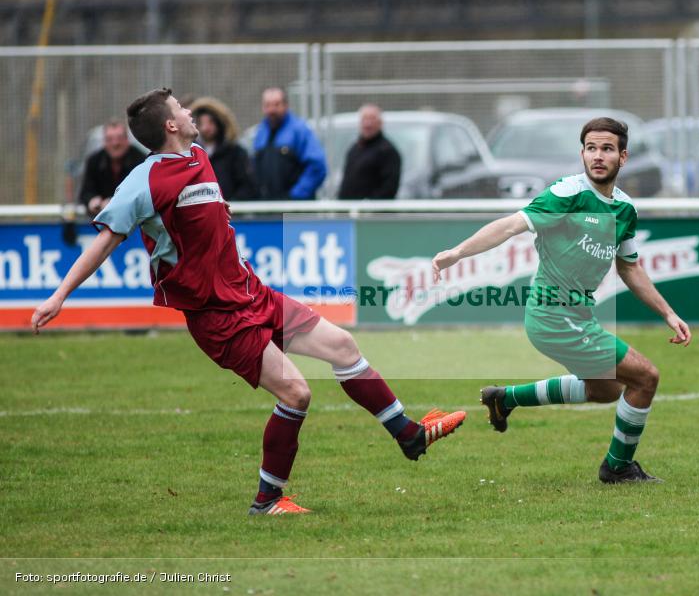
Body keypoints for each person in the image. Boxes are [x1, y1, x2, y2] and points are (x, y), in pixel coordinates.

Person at [32, 88, 465, 516]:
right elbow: (105, 240)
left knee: (343, 347)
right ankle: (268, 500)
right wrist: (59, 295)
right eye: (181, 107)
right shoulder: (144, 181)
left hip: (251, 292)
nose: (189, 110)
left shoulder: (199, 157)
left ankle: (409, 435)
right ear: (170, 125)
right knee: (296, 393)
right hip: (217, 316)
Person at [431, 117, 691, 484]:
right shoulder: (567, 194)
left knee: (605, 390)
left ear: (623, 156)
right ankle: (616, 468)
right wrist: (457, 253)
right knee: (646, 377)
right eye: (590, 148)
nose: (598, 156)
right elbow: (509, 225)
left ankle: (505, 399)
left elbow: (630, 268)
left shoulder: (625, 209)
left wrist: (668, 313)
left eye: (607, 149)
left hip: (577, 316)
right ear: (582, 153)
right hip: (552, 315)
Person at [253, 87, 327, 200]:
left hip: (295, 210)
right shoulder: (261, 133)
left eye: (276, 104)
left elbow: (317, 167)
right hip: (267, 208)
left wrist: (295, 196)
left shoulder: (300, 130)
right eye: (267, 105)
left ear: (286, 106)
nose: (272, 110)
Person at [193, 96, 256, 200]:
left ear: (219, 124)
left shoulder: (235, 152)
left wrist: (231, 204)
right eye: (201, 123)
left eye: (210, 122)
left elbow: (246, 186)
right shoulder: (191, 153)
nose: (205, 128)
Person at [79, 120, 145, 216]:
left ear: (127, 140)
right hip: (101, 219)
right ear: (104, 142)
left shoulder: (141, 161)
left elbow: (144, 194)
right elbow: (85, 192)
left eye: (119, 138)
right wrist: (92, 201)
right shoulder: (94, 161)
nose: (115, 144)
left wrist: (114, 202)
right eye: (110, 139)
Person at [337, 104, 401, 200]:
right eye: (364, 119)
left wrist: (368, 206)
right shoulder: (355, 148)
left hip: (371, 212)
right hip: (349, 210)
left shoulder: (387, 151)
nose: (368, 124)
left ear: (380, 123)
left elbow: (389, 189)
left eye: (372, 119)